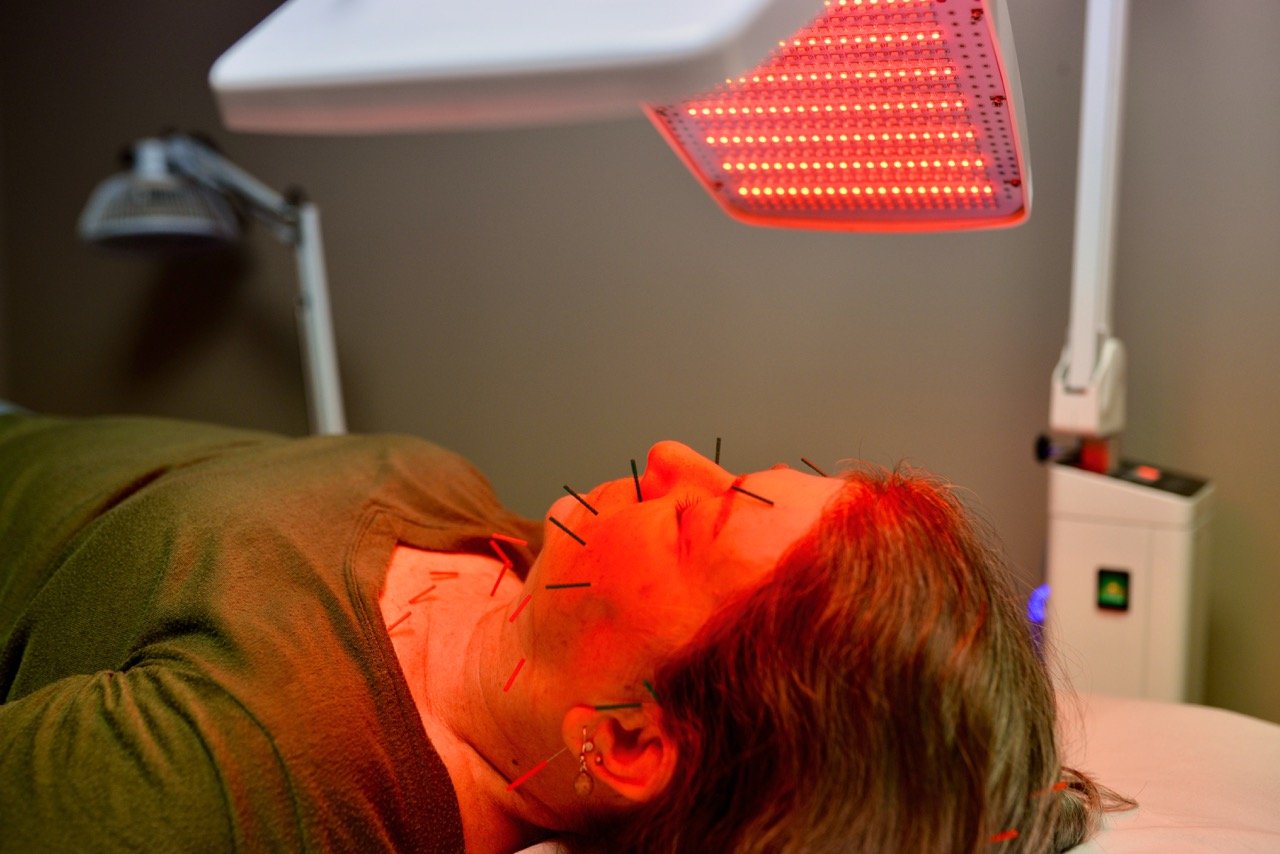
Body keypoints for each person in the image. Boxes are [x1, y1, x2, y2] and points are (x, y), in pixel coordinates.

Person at [0, 412, 1127, 852]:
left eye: (704, 515)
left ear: (633, 741)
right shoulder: (495, 542)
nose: (679, 452)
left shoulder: (234, 773)